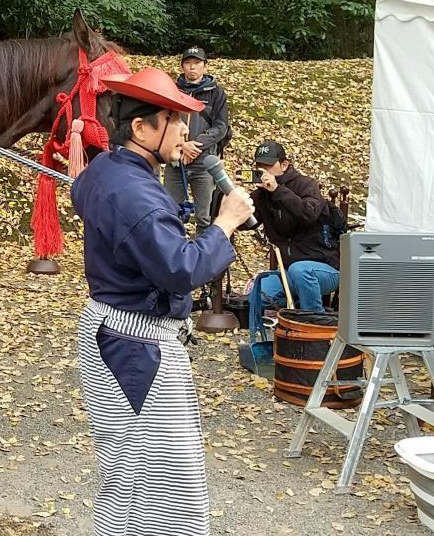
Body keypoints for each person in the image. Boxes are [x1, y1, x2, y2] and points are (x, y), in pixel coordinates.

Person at [70, 67, 254, 536]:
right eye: (175, 120)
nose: (186, 131)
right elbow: (181, 268)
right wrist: (225, 223)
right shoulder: (137, 196)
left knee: (127, 468)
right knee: (162, 479)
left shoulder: (106, 170)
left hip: (114, 333)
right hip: (135, 347)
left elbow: (79, 193)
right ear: (141, 127)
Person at [246, 140, 339, 312]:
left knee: (300, 271)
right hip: (287, 271)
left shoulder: (306, 185)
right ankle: (294, 310)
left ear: (284, 165)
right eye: (259, 166)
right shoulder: (260, 195)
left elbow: (308, 214)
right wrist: (232, 195)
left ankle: (312, 321)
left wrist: (277, 190)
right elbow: (245, 224)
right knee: (256, 295)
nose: (263, 171)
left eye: (268, 166)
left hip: (324, 267)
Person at [163, 46, 230, 233]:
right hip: (175, 160)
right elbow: (163, 121)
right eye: (188, 63)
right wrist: (182, 145)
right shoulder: (172, 90)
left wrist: (196, 145)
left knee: (204, 216)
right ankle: (173, 248)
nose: (192, 67)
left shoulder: (216, 93)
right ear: (182, 66)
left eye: (197, 63)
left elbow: (221, 127)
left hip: (204, 163)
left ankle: (203, 250)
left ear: (205, 66)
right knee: (170, 213)